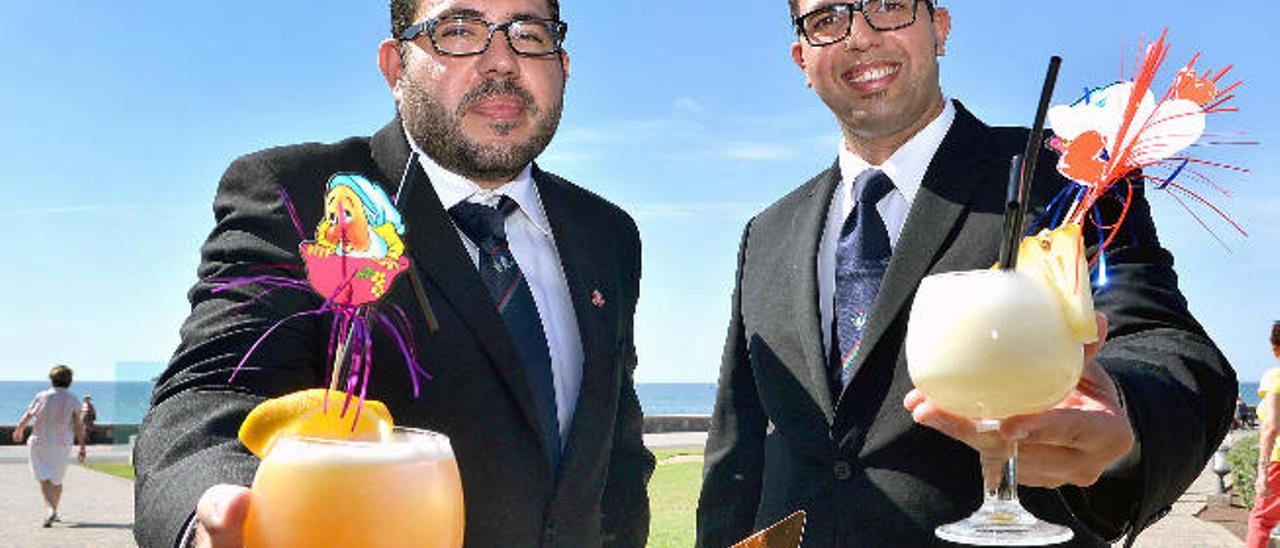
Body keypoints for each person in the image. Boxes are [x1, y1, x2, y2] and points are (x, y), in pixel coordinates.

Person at [696, 1, 1235, 546]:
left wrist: (1123, 408)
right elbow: (736, 450)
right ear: (801, 59)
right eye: (827, 18)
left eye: (889, 6)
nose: (859, 35)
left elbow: (1162, 346)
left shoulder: (1066, 178)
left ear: (940, 28)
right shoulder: (766, 232)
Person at [132, 0, 653, 546]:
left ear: (563, 66)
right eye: (458, 30)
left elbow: (614, 444)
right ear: (395, 67)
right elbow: (213, 392)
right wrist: (223, 514)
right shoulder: (304, 196)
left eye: (528, 33)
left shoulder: (608, 234)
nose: (501, 61)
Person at [12, 365, 88, 527]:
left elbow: (28, 415)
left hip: (40, 441)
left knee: (44, 479)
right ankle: (54, 509)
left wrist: (19, 429)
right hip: (62, 445)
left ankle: (50, 509)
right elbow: (78, 426)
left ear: (51, 379)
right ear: (69, 381)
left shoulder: (42, 396)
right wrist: (82, 447)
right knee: (57, 480)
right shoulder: (73, 399)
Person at [1246, 322, 1280, 548]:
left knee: (1262, 520)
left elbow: (1271, 427)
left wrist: (1262, 471)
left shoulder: (1275, 376)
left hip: (1278, 462)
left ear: (1275, 347)